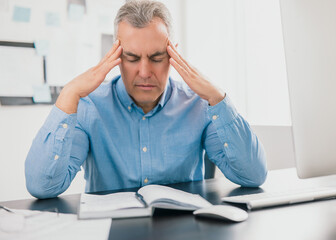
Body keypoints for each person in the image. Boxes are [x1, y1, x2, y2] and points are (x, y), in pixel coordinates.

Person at [25, 0, 267, 199]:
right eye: (131, 58)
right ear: (115, 54)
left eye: (157, 57)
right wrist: (69, 95)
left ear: (173, 54)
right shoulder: (90, 106)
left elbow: (253, 176)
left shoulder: (199, 104)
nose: (144, 72)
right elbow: (42, 187)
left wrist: (218, 97)